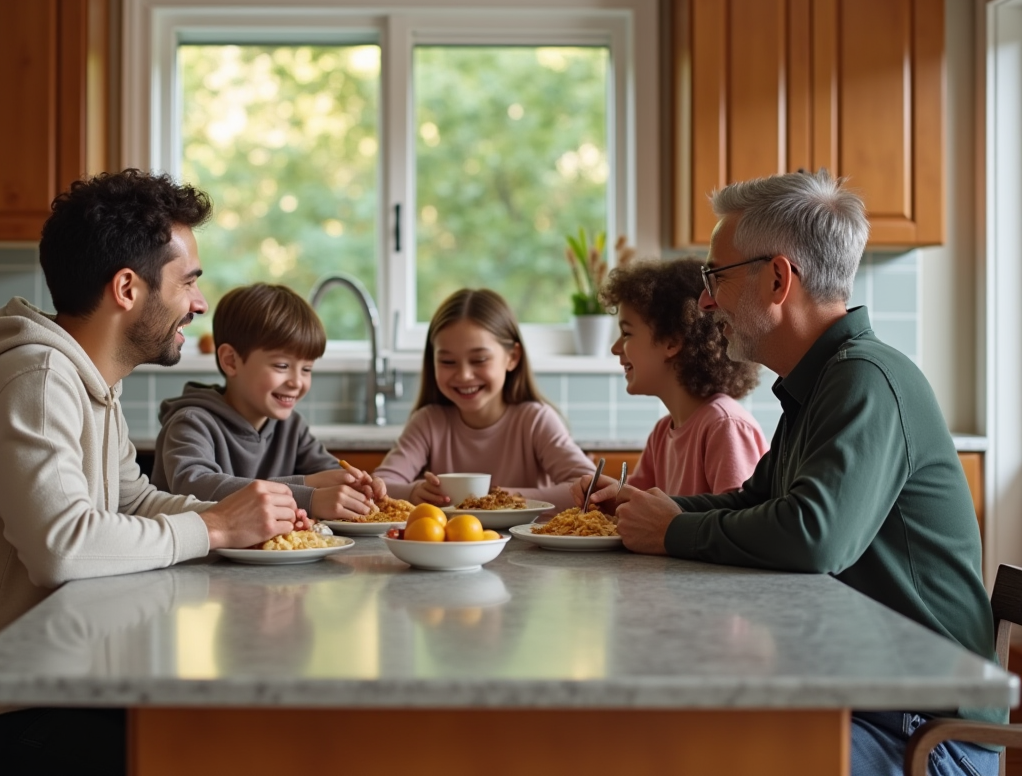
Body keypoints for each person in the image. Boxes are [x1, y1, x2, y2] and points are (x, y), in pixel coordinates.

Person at [578, 169, 1004, 776]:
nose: (705, 302)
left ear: (778, 279)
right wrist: (646, 508)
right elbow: (754, 499)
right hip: (874, 704)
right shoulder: (823, 381)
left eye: (714, 278)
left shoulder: (866, 379)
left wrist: (672, 531)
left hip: (925, 734)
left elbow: (814, 535)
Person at [0, 170, 311, 776]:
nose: (198, 303)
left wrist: (246, 519)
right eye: (188, 282)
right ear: (126, 289)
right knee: (213, 752)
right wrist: (216, 528)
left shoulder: (91, 382)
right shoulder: (35, 382)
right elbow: (62, 548)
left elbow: (130, 500)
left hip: (44, 681)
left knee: (226, 727)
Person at [152, 283, 385, 518]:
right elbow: (196, 487)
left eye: (306, 369)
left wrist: (355, 486)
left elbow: (328, 473)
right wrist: (307, 494)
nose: (296, 382)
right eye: (282, 366)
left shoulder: (291, 426)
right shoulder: (191, 423)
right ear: (231, 361)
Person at [375, 288, 595, 507]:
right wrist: (413, 492)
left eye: (479, 359)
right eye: (448, 362)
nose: (464, 375)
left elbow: (591, 487)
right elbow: (380, 484)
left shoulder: (535, 420)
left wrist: (511, 500)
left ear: (512, 357)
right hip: (451, 542)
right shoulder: (428, 422)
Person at [602, 257, 767, 495]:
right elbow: (632, 509)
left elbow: (738, 524)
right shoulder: (662, 433)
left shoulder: (724, 426)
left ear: (672, 341)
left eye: (626, 333)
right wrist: (605, 498)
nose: (615, 348)